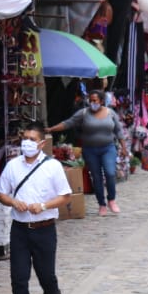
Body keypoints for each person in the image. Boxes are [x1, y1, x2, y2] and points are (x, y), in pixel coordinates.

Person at [0, 122, 72, 294]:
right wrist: (13, 202)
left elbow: (65, 195)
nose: (27, 143)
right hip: (20, 229)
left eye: (32, 139)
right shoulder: (13, 166)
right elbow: (0, 192)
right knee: (18, 277)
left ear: (41, 143)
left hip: (44, 229)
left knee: (46, 274)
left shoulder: (52, 166)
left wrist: (44, 206)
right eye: (24, 138)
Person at [47, 87, 126, 216]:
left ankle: (111, 199)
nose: (92, 103)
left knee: (110, 172)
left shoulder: (111, 113)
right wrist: (51, 129)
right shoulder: (83, 113)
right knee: (96, 177)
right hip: (90, 150)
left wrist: (124, 148)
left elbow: (118, 130)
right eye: (90, 100)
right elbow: (69, 123)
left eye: (95, 100)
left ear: (101, 101)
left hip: (108, 148)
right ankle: (102, 204)